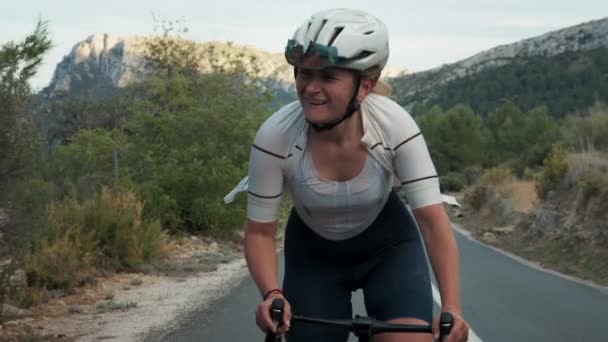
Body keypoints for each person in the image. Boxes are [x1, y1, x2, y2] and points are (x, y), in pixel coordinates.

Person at [230, 8, 470, 342]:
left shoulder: (396, 128)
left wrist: (452, 307)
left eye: (328, 77)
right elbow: (259, 233)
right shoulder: (275, 137)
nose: (311, 88)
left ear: (365, 86)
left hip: (388, 247)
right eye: (303, 73)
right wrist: (271, 294)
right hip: (314, 256)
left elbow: (432, 223)